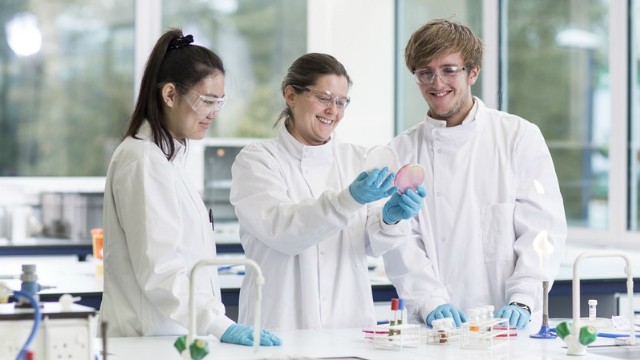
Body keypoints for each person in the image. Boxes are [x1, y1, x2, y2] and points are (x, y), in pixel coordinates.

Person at [99, 28, 280, 347]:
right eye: (207, 101)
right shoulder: (143, 160)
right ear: (169, 95)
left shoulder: (168, 159)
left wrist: (212, 322)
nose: (213, 113)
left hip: (172, 336)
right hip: (148, 339)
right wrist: (219, 325)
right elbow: (161, 269)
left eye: (219, 102)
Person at [382, 19, 567, 330]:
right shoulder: (400, 151)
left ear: (473, 72)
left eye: (449, 69)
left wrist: (524, 297)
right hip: (433, 328)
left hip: (508, 326)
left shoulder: (517, 136)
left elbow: (542, 229)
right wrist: (430, 301)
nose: (437, 83)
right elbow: (402, 243)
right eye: (425, 72)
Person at [229, 53, 427, 330]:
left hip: (348, 324)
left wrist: (390, 219)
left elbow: (372, 246)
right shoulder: (257, 160)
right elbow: (283, 231)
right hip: (280, 324)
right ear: (290, 95)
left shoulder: (358, 159)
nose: (333, 111)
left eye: (341, 102)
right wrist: (349, 200)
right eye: (324, 98)